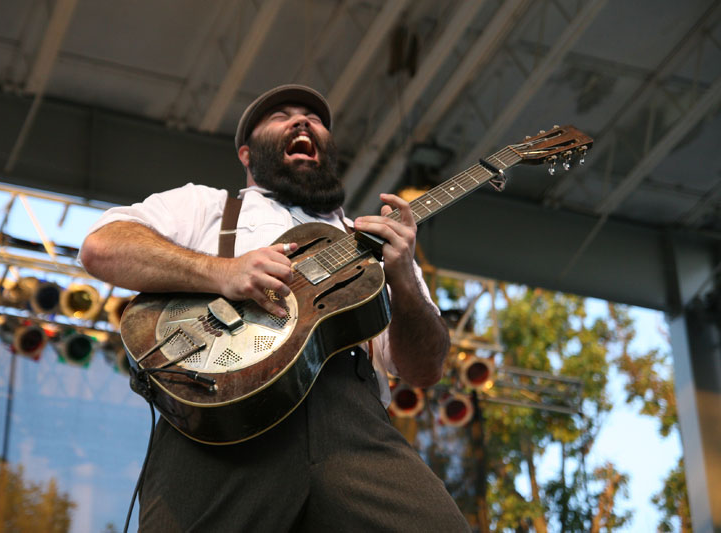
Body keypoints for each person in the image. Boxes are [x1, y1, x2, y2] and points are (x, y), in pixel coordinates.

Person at [80, 84, 469, 531]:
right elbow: (102, 247)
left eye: (315, 118)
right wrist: (220, 272)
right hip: (221, 422)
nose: (302, 121)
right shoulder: (207, 206)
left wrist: (402, 277)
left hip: (352, 425)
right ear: (246, 155)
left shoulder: (380, 243)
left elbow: (424, 369)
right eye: (281, 115)